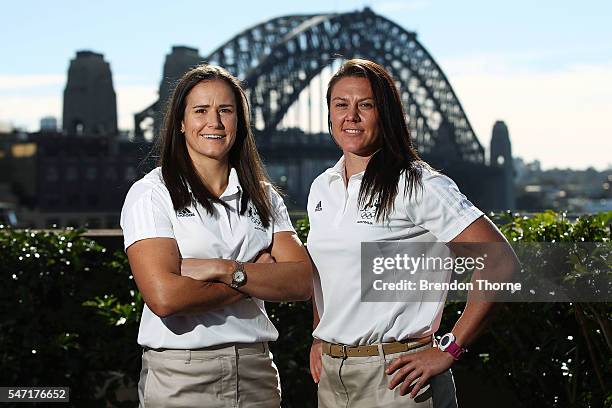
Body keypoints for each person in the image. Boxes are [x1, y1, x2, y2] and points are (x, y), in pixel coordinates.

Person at [306, 59, 516, 407]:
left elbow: (500, 262)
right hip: (332, 377)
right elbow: (325, 272)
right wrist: (320, 336)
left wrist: (449, 348)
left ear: (385, 114)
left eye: (366, 105)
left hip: (398, 379)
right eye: (341, 105)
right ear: (330, 113)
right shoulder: (321, 188)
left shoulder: (416, 183)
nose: (351, 116)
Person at [120, 64, 312, 408]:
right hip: (182, 375)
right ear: (180, 122)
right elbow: (165, 298)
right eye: (200, 111)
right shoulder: (151, 194)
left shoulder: (264, 197)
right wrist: (256, 276)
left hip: (257, 371)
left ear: (240, 122)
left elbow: (301, 281)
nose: (215, 122)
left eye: (226, 110)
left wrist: (223, 269)